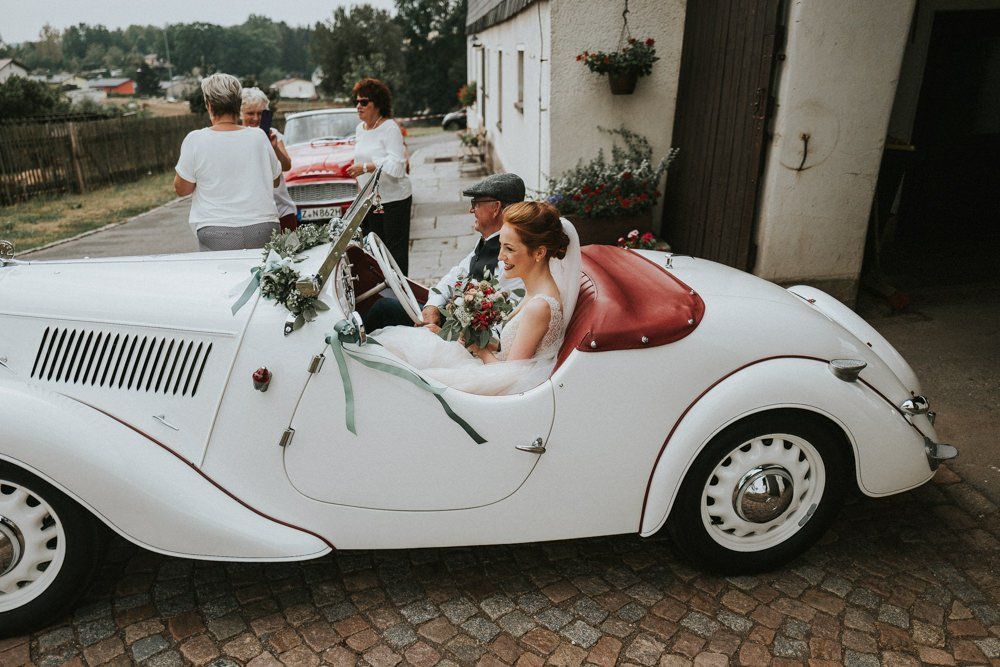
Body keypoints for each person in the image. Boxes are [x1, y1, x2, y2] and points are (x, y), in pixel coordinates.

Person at [373, 202, 581, 396]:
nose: (500, 256)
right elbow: (513, 349)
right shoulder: (535, 291)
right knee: (398, 348)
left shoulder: (540, 306)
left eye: (509, 249)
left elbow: (510, 376)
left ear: (539, 253)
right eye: (501, 246)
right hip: (492, 365)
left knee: (406, 373)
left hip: (502, 388)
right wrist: (472, 339)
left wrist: (478, 349)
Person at [364, 172, 527, 331]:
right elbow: (457, 274)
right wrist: (433, 305)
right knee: (384, 306)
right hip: (455, 322)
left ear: (496, 207)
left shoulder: (510, 258)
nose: (471, 210)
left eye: (476, 203)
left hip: (464, 337)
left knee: (383, 308)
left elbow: (502, 324)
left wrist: (443, 335)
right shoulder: (489, 241)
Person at [174, 73, 282, 250]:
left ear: (209, 105)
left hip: (215, 229)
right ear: (238, 104)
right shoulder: (259, 137)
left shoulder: (195, 140)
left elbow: (182, 189)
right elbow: (276, 180)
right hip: (263, 227)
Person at [347, 78, 413, 273]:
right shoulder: (360, 129)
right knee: (375, 251)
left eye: (364, 102)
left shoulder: (390, 128)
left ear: (377, 104)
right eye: (356, 102)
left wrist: (367, 167)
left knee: (395, 253)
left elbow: (398, 166)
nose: (358, 106)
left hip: (394, 199)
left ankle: (400, 290)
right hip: (371, 201)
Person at [240, 87, 297, 232]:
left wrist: (274, 148)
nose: (256, 118)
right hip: (252, 214)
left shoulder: (274, 134)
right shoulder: (236, 138)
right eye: (250, 113)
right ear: (240, 114)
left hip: (282, 209)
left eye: (260, 113)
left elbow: (287, 166)